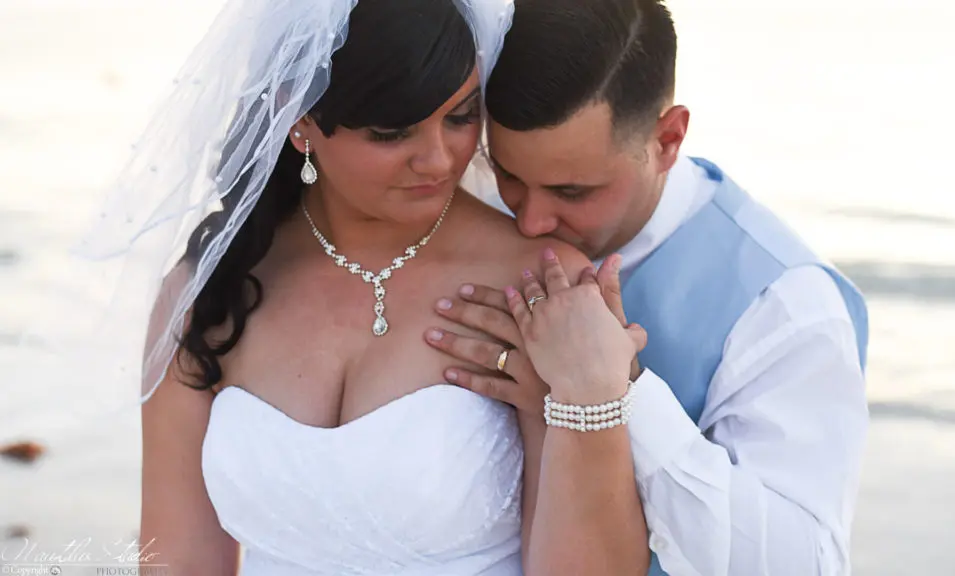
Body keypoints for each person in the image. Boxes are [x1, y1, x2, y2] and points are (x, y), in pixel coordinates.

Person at [52, 0, 653, 574]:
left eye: (462, 116)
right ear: (300, 121)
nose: (439, 159)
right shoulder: (208, 291)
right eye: (393, 134)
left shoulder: (541, 283)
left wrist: (585, 397)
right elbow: (179, 561)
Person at [426, 0, 871, 574]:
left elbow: (801, 564)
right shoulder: (467, 209)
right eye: (508, 173)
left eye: (572, 191)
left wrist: (615, 391)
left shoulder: (786, 305)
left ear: (668, 139)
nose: (530, 221)